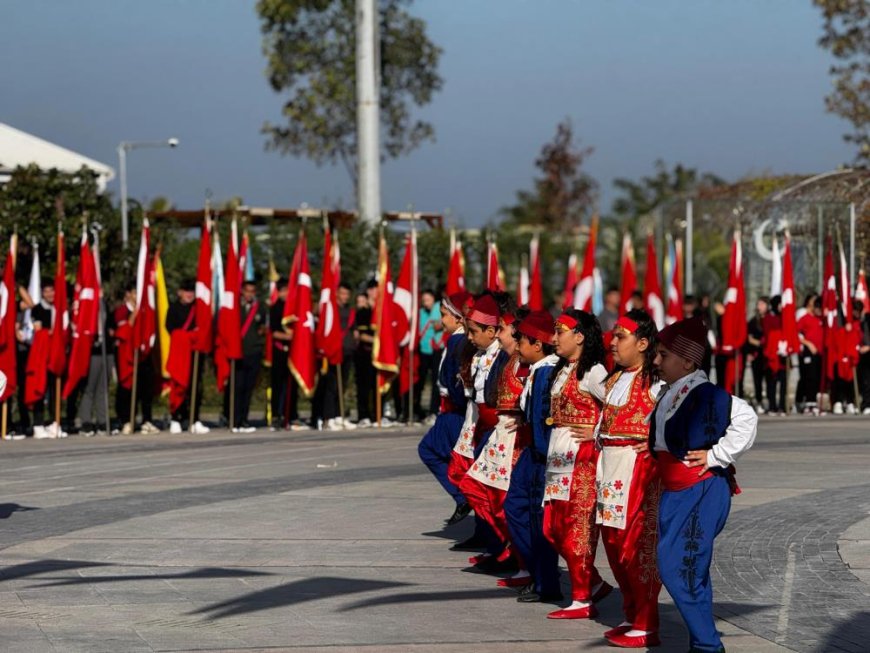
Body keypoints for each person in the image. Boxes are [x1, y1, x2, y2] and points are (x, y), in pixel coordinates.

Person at [651, 316, 757, 653]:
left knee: (676, 565)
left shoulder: (706, 394)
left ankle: (710, 646)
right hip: (677, 493)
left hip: (701, 489)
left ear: (687, 361)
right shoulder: (672, 391)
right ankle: (702, 642)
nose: (657, 361)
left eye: (663, 355)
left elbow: (747, 418)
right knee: (690, 567)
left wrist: (717, 455)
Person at [594, 309, 663, 648]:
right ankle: (631, 611)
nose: (613, 342)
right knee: (612, 543)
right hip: (608, 466)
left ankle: (647, 621)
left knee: (634, 547)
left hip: (636, 470)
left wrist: (654, 442)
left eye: (621, 337)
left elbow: (675, 417)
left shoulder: (656, 382)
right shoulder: (612, 378)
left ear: (644, 343)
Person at [543, 308, 612, 619]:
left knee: (577, 530)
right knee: (551, 529)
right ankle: (593, 584)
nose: (554, 338)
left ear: (580, 336)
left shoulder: (593, 372)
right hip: (558, 458)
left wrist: (596, 429)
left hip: (581, 461)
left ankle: (582, 598)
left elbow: (619, 406)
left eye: (561, 332)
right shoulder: (563, 369)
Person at [459, 305, 530, 576]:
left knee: (506, 503)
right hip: (497, 434)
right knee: (476, 488)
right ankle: (507, 550)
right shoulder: (508, 360)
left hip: (514, 441)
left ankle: (516, 556)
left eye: (503, 330)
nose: (499, 336)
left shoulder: (532, 366)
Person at [503, 309, 561, 605]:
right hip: (533, 452)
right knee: (514, 506)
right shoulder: (538, 371)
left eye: (521, 340)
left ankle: (547, 581)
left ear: (538, 344)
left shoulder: (548, 372)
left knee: (541, 521)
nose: (516, 346)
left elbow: (546, 418)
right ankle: (540, 573)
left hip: (543, 456)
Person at [418, 291, 472, 523]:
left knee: (429, 450)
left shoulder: (457, 341)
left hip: (453, 413)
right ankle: (479, 524)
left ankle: (463, 496)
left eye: (445, 315)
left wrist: (455, 404)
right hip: (454, 411)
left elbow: (454, 381)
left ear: (459, 318)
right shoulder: (458, 340)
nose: (442, 320)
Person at [166, 279, 209, 434]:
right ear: (180, 293)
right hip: (180, 354)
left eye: (191, 291)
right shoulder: (174, 309)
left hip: (195, 353)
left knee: (195, 387)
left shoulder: (198, 309)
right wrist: (188, 336)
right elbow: (170, 328)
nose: (189, 294)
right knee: (178, 387)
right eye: (186, 291)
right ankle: (176, 417)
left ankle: (194, 419)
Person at [115, 284, 158, 434]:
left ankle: (147, 420)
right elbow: (124, 331)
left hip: (143, 355)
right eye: (135, 293)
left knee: (146, 389)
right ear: (128, 294)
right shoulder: (122, 311)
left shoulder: (147, 310)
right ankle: (127, 420)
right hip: (127, 356)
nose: (137, 296)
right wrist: (135, 313)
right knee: (127, 389)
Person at [29, 279, 66, 439]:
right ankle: (38, 424)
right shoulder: (37, 309)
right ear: (42, 293)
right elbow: (38, 331)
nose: (50, 294)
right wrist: (50, 333)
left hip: (55, 355)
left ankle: (54, 422)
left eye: (52, 291)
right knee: (40, 388)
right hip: (41, 355)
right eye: (47, 291)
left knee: (54, 389)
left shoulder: (59, 309)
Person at [229, 280, 266, 431]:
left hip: (254, 351)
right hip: (239, 352)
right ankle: (234, 419)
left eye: (252, 291)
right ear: (242, 292)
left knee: (249, 388)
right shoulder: (235, 308)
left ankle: (244, 419)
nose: (249, 294)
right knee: (238, 387)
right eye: (247, 291)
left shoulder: (260, 308)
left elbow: (263, 326)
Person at [269, 279, 299, 430]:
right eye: (283, 291)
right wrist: (289, 337)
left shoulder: (295, 308)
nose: (286, 294)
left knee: (292, 385)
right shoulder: (275, 308)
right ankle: (276, 415)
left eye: (288, 290)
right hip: (280, 351)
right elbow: (274, 332)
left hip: (294, 352)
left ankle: (291, 415)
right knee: (278, 385)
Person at [831, 299, 863, 415]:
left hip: (854, 356)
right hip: (842, 355)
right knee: (840, 379)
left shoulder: (859, 324)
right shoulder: (842, 324)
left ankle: (850, 401)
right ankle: (839, 401)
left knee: (852, 380)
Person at [417, 289, 443, 420]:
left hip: (437, 349)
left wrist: (439, 323)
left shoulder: (439, 308)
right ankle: (418, 410)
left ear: (433, 299)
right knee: (420, 381)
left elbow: (442, 324)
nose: (425, 303)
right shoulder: (420, 312)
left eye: (428, 300)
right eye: (423, 301)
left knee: (435, 381)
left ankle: (434, 410)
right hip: (423, 350)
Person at [353, 283, 377, 427]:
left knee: (376, 386)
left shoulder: (380, 311)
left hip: (377, 356)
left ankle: (376, 415)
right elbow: (361, 335)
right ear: (368, 291)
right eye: (373, 289)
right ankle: (363, 415)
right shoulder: (363, 312)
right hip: (364, 354)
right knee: (363, 386)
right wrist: (378, 342)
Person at [796, 296, 823, 414]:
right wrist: (808, 344)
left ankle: (813, 402)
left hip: (819, 353)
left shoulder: (821, 319)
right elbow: (795, 333)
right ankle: (808, 402)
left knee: (817, 377)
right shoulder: (805, 318)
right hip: (807, 352)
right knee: (809, 376)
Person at [761, 295, 786, 415]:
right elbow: (768, 334)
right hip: (772, 352)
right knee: (771, 381)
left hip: (783, 353)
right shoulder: (768, 318)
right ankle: (772, 405)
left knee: (783, 381)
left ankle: (782, 405)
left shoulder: (785, 317)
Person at [744, 297, 768, 412]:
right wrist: (752, 350)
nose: (760, 306)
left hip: (768, 354)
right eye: (758, 304)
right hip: (757, 354)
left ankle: (769, 401)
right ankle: (758, 401)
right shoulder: (753, 321)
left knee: (769, 380)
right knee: (757, 379)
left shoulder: (770, 320)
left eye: (762, 304)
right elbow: (749, 339)